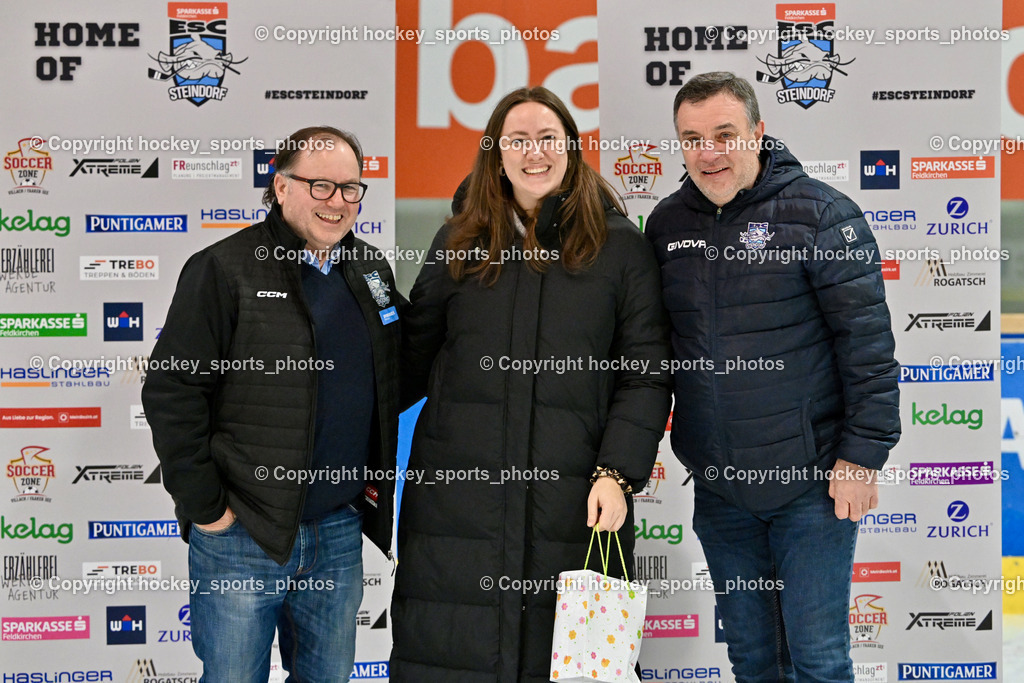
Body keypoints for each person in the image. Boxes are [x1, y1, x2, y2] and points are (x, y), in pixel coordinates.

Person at [389, 86, 672, 682]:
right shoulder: (457, 243)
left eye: (548, 138)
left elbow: (645, 373)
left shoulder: (620, 247)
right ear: (495, 152)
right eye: (518, 140)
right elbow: (407, 360)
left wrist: (618, 473)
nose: (534, 152)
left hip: (577, 502)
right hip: (457, 506)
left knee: (566, 661)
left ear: (571, 145)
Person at [644, 71, 900, 682]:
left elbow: (867, 349)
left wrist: (862, 459)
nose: (709, 152)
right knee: (753, 660)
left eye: (725, 133)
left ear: (758, 132)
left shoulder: (822, 215)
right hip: (722, 491)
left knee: (817, 659)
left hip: (811, 487)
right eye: (693, 138)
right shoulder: (666, 226)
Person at [142, 126, 402, 682]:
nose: (338, 202)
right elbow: (172, 392)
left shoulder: (371, 270)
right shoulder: (222, 268)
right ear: (281, 186)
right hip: (242, 534)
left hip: (336, 532)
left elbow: (410, 357)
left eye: (351, 188)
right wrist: (208, 510)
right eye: (322, 186)